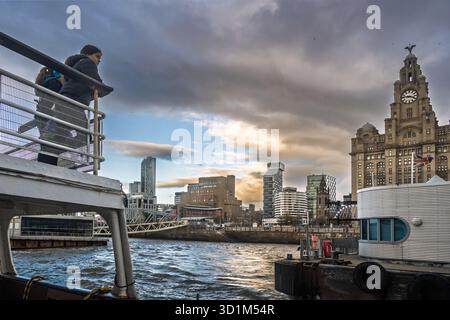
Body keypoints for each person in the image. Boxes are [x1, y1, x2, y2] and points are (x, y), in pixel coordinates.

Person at [54, 45, 109, 159]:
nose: (99, 60)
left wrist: (94, 92)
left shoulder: (76, 66)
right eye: (97, 56)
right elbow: (97, 83)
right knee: (84, 138)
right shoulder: (87, 63)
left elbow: (83, 86)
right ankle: (54, 151)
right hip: (71, 103)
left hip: (66, 102)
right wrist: (102, 91)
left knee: (60, 136)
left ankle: (49, 158)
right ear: (88, 54)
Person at [18, 67, 64, 165]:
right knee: (50, 143)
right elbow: (51, 103)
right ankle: (47, 165)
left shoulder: (44, 83)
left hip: (42, 117)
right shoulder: (54, 83)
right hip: (48, 118)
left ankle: (44, 164)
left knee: (46, 143)